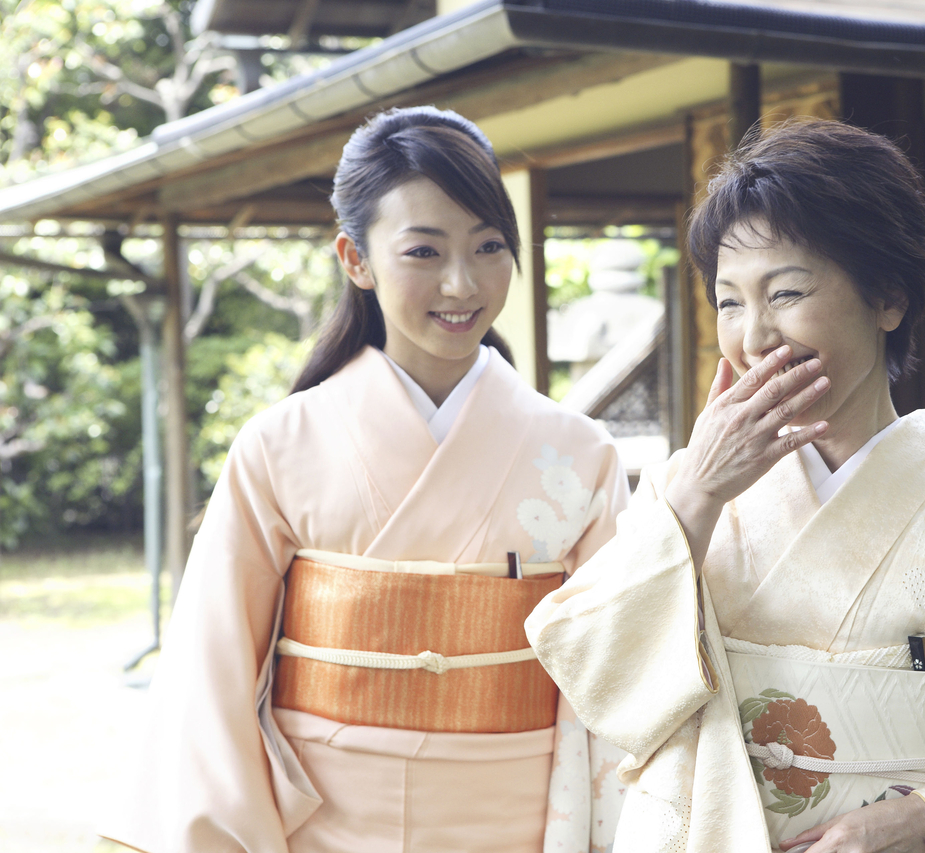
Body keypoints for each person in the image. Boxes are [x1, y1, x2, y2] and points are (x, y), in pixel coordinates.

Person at [526, 119, 925, 853]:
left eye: (786, 292)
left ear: (888, 299)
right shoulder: (685, 494)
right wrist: (697, 494)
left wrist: (924, 822)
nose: (754, 336)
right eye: (730, 302)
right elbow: (591, 671)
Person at [101, 106, 629, 853]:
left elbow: (616, 676)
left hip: (517, 822)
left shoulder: (580, 453)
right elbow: (210, 675)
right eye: (424, 251)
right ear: (356, 258)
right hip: (325, 826)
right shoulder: (277, 446)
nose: (461, 282)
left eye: (488, 246)